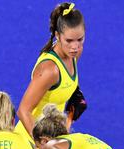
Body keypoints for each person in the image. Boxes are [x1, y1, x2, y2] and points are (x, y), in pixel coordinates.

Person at [17, 2, 85, 138]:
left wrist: (74, 95)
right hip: (31, 139)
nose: (75, 46)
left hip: (55, 136)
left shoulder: (74, 54)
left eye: (80, 39)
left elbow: (62, 88)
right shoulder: (50, 70)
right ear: (57, 36)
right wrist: (43, 146)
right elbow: (23, 111)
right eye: (69, 40)